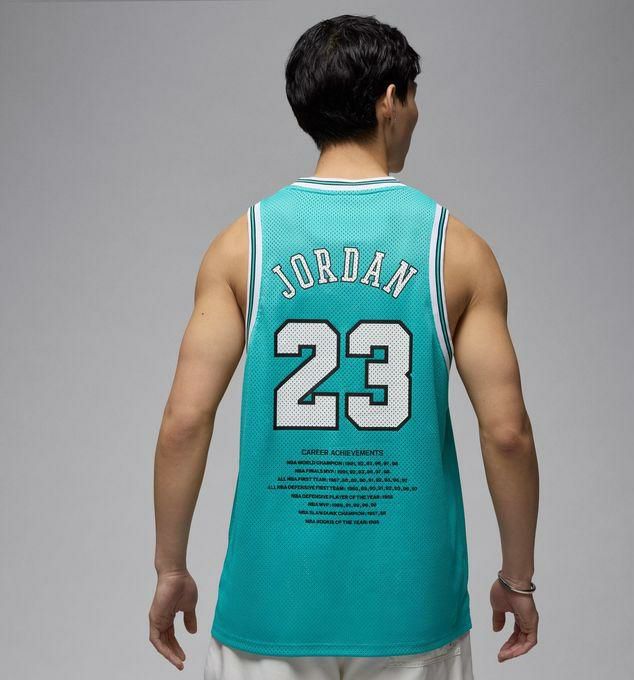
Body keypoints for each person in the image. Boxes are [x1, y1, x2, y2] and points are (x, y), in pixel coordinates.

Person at [148, 13, 539, 680]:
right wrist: (517, 578)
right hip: (412, 607)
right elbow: (507, 434)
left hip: (268, 606)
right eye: (413, 95)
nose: (417, 113)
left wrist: (171, 569)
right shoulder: (458, 250)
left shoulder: (242, 245)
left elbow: (184, 421)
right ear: (390, 99)